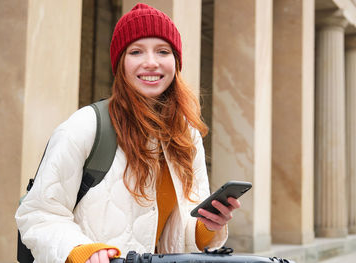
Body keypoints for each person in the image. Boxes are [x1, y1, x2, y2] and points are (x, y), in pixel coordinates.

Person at [15, 3, 240, 263]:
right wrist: (80, 250)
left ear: (176, 62)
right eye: (136, 51)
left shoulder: (186, 135)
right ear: (120, 63)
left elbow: (179, 234)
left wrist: (208, 226)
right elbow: (37, 214)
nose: (151, 63)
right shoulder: (85, 126)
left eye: (163, 51)